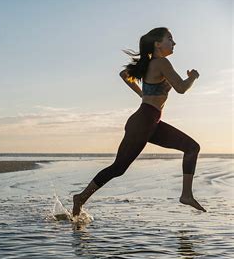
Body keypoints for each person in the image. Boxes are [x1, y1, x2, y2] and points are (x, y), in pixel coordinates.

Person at [72, 27, 206, 216]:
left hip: (150, 121)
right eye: (170, 39)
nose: (174, 43)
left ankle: (186, 194)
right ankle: (80, 197)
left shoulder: (150, 64)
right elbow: (181, 88)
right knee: (118, 168)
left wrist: (143, 94)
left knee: (192, 147)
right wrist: (193, 77)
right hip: (144, 120)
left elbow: (124, 75)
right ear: (157, 44)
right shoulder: (161, 62)